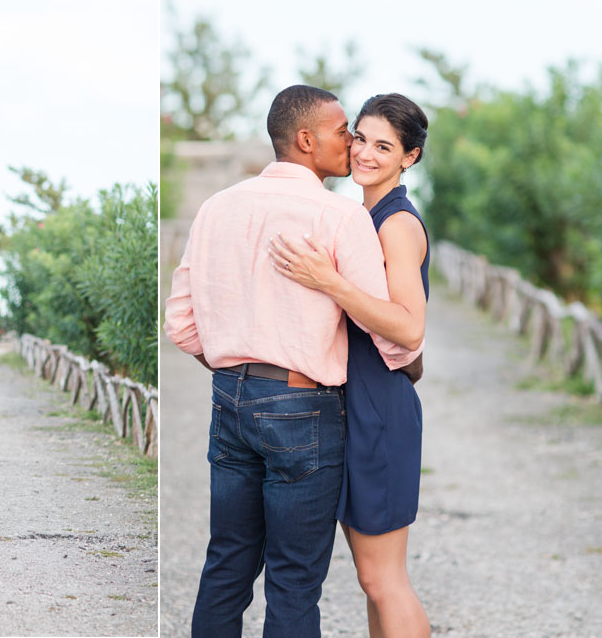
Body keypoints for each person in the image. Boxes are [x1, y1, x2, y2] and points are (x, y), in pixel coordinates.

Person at [164, 85, 421, 638]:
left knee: (227, 563)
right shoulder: (340, 217)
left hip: (228, 396)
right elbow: (398, 342)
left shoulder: (215, 208)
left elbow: (180, 324)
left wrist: (241, 363)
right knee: (295, 578)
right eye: (341, 131)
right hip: (303, 406)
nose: (350, 142)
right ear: (306, 140)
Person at [268, 92, 431, 638]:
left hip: (379, 409)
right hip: (350, 404)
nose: (364, 153)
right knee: (370, 579)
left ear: (409, 158)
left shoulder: (396, 225)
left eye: (384, 146)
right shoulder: (360, 216)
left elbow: (410, 326)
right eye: (360, 138)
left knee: (385, 579)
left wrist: (329, 282)